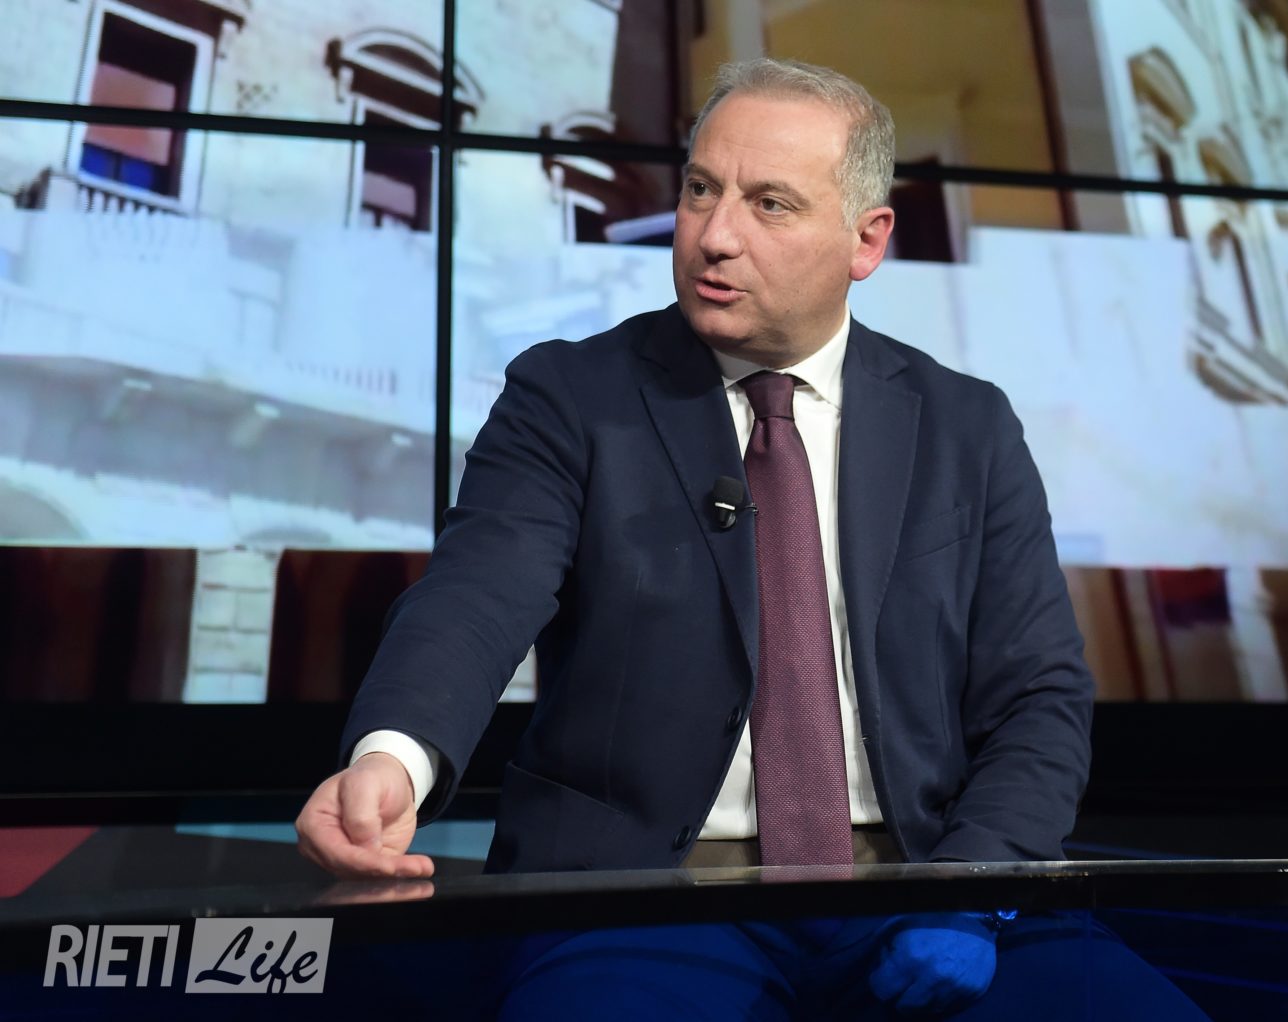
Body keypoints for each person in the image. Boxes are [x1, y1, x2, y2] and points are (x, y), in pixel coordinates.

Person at [296, 58, 1207, 1020]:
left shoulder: (965, 427)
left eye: (770, 204)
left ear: (866, 240)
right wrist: (392, 760)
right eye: (701, 189)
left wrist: (972, 890)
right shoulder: (570, 398)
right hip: (645, 896)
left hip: (929, 876)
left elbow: (1038, 696)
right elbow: (475, 600)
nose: (714, 235)